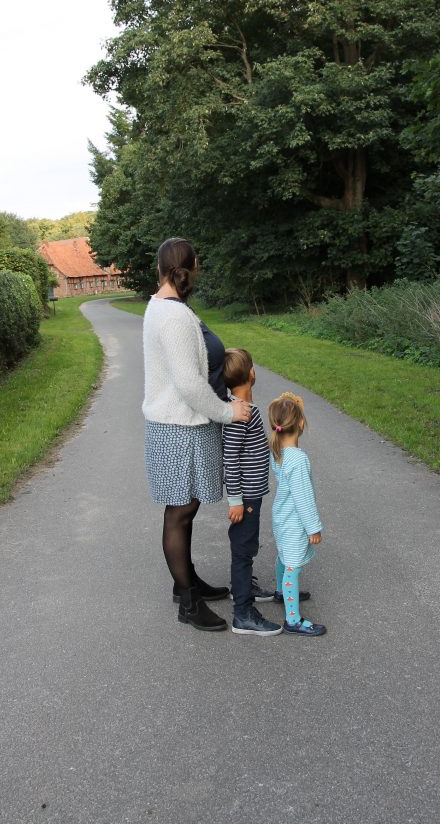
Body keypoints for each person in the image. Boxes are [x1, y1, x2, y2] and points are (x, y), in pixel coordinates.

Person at [142, 237, 252, 632]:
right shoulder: (172, 317)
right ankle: (187, 603)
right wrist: (227, 412)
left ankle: (186, 582)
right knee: (180, 511)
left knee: (184, 510)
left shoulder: (167, 307)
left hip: (180, 425)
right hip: (179, 428)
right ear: (189, 267)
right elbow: (188, 385)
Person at [223, 348, 282, 637]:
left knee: (246, 544)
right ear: (251, 374)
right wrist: (235, 500)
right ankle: (243, 613)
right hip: (244, 497)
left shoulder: (241, 407)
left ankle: (242, 588)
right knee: (244, 549)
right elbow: (230, 458)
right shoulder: (241, 413)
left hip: (250, 494)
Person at [269, 392, 327, 637]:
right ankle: (293, 619)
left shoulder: (278, 451)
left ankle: (282, 593)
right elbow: (303, 498)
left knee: (284, 556)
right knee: (292, 566)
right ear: (301, 424)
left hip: (281, 517)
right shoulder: (298, 459)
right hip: (294, 521)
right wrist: (313, 527)